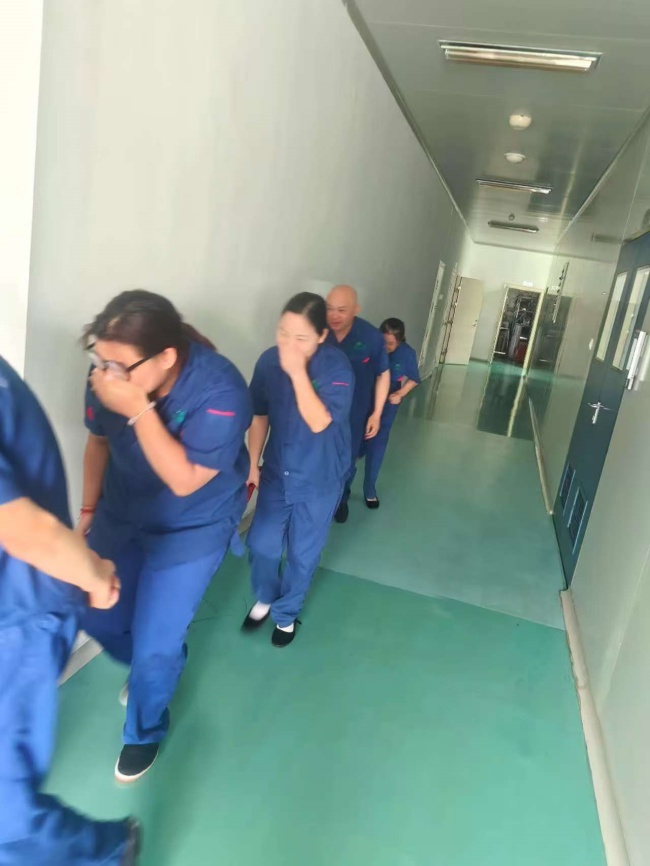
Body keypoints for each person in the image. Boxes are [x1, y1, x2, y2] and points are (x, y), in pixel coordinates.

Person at [78, 290, 252, 783]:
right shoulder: (109, 376)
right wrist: (88, 509)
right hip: (122, 511)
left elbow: (184, 480)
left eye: (120, 366)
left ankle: (144, 730)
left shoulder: (221, 391)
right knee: (93, 609)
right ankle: (152, 666)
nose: (106, 374)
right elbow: (98, 442)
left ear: (167, 357)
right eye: (100, 360)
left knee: (157, 644)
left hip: (192, 525)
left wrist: (137, 408)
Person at [0, 356, 141, 865]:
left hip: (18, 616)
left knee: (5, 815)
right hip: (25, 602)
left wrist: (94, 576)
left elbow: (24, 529)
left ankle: (109, 850)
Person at [242, 292, 354, 646]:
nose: (288, 345)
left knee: (302, 555)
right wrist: (252, 463)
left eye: (301, 337)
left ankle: (286, 614)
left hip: (321, 477)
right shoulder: (267, 362)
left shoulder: (337, 369)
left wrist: (296, 372)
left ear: (321, 336)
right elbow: (259, 415)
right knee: (261, 544)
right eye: (283, 333)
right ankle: (266, 594)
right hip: (278, 472)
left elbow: (320, 422)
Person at [325, 285, 389, 522]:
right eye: (330, 308)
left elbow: (383, 374)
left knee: (347, 460)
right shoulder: (318, 331)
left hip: (355, 414)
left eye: (342, 310)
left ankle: (341, 498)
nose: (334, 315)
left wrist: (376, 414)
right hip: (321, 409)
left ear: (355, 310)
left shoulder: (370, 337)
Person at [362, 318, 421, 507]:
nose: (386, 347)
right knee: (355, 444)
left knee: (377, 444)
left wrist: (400, 394)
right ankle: (342, 492)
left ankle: (369, 489)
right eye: (384, 341)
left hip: (388, 401)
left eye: (391, 343)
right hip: (366, 394)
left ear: (400, 341)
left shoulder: (407, 354)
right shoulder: (371, 346)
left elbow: (414, 378)